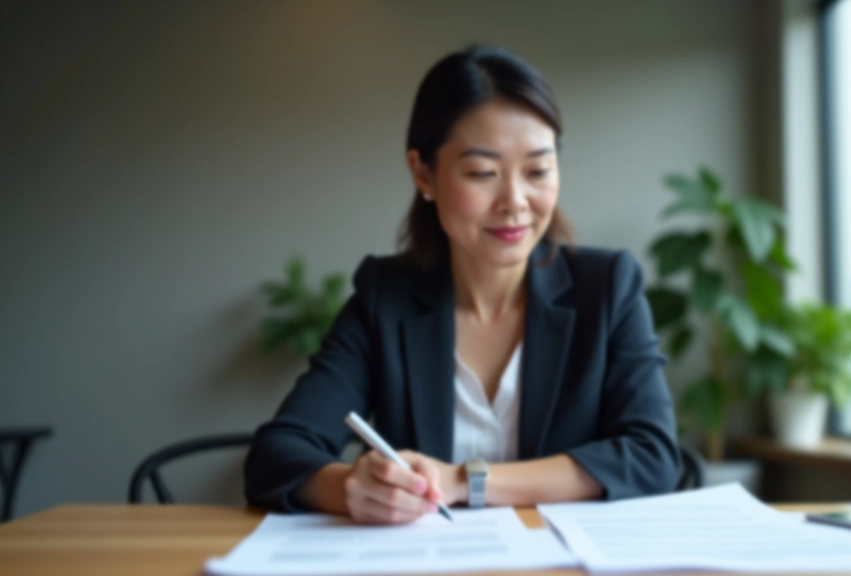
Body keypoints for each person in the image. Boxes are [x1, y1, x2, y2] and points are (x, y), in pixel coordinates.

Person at [244, 45, 681, 525]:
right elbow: (276, 453)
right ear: (423, 174)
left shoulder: (608, 288)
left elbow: (652, 455)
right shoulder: (384, 299)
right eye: (482, 173)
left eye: (538, 170)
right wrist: (354, 488)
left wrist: (462, 481)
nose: (515, 202)